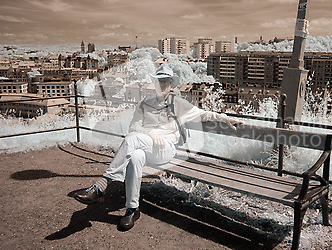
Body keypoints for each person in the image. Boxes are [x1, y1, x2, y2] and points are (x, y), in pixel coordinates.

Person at [73, 65, 243, 231]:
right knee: (135, 156)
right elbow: (133, 128)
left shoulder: (178, 104)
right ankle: (132, 209)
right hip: (146, 147)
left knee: (133, 142)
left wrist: (225, 118)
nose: (161, 85)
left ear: (171, 85)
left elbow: (202, 114)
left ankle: (101, 186)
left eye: (165, 82)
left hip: (166, 149)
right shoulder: (144, 103)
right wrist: (151, 134)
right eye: (158, 82)